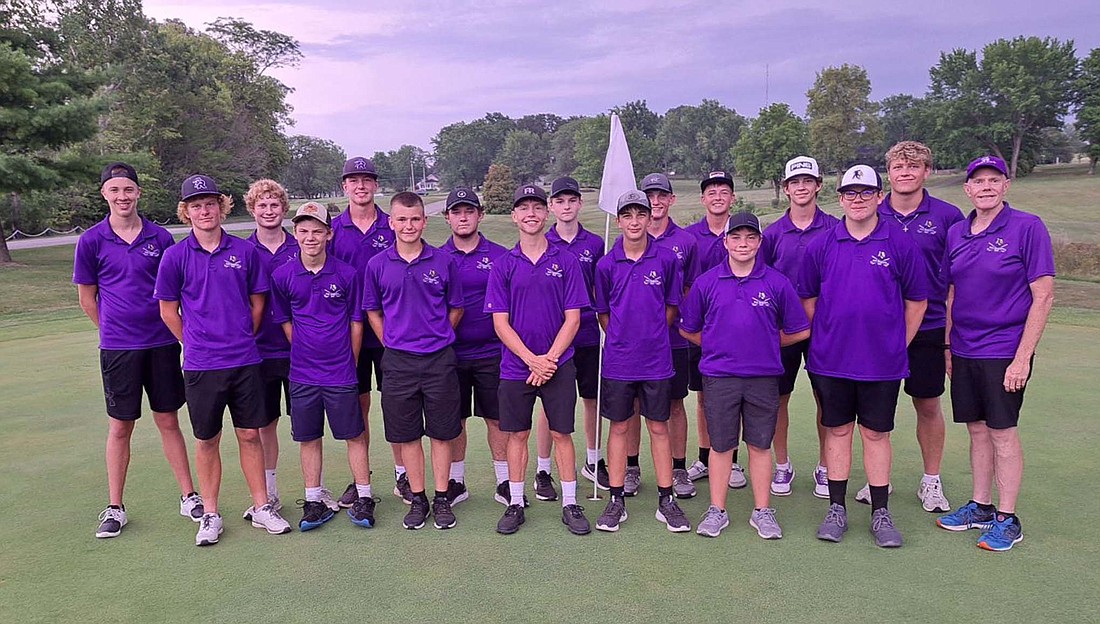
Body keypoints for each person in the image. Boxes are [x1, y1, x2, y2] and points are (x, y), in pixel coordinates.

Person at [155, 174, 291, 546]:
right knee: (207, 440)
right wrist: (194, 341)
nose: (205, 210)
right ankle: (211, 514)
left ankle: (262, 506)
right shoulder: (175, 256)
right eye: (196, 205)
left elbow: (258, 302)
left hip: (245, 359)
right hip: (201, 366)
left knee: (250, 434)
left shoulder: (244, 252)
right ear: (187, 211)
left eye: (211, 203)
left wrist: (240, 334)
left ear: (222, 207)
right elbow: (169, 311)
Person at [799, 164, 927, 549]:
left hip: (882, 363)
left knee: (875, 433)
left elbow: (917, 301)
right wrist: (828, 334)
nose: (857, 200)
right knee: (837, 430)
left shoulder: (900, 243)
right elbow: (808, 299)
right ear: (839, 198)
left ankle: (880, 512)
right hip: (830, 360)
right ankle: (836, 508)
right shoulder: (821, 244)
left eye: (865, 193)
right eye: (850, 193)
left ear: (879, 196)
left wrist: (895, 343)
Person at [74, 162, 202, 539]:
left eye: (128, 190)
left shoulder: (160, 238)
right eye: (114, 190)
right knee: (120, 427)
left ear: (138, 193)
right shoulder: (92, 241)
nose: (122, 197)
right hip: (118, 349)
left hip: (161, 344)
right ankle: (115, 506)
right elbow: (87, 298)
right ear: (105, 194)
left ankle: (189, 496)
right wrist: (113, 331)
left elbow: (174, 293)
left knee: (168, 420)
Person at [935, 155, 1055, 552]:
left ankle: (1007, 518)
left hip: (1005, 349)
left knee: (1003, 432)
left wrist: (1022, 358)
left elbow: (1043, 296)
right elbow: (951, 296)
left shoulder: (1027, 227)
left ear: (1006, 185)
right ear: (967, 189)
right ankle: (981, 506)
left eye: (993, 180)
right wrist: (949, 347)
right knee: (976, 429)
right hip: (966, 348)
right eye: (978, 181)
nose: (985, 186)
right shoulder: (957, 232)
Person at [680, 211, 810, 539]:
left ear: (759, 242)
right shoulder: (707, 282)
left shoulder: (776, 282)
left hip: (763, 377)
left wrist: (766, 342)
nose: (743, 243)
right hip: (719, 377)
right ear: (725, 242)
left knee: (760, 445)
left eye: (750, 237)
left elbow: (798, 330)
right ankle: (717, 510)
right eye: (735, 237)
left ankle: (762, 511)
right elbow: (688, 328)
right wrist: (716, 343)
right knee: (721, 446)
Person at [857, 142, 964, 513]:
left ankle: (931, 481)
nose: (905, 172)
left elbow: (955, 283)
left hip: (930, 327)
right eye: (899, 166)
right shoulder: (872, 212)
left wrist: (950, 341)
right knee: (874, 409)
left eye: (913, 167)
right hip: (878, 330)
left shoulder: (949, 217)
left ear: (926, 172)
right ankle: (877, 481)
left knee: (928, 404)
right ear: (889, 173)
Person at [485, 184, 591, 536]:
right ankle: (516, 502)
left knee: (562, 434)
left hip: (558, 365)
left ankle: (570, 503)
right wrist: (532, 360)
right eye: (523, 208)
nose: (530, 214)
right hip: (517, 367)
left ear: (546, 214)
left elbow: (573, 318)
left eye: (536, 207)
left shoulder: (567, 261)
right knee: (517, 435)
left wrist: (550, 360)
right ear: (514, 216)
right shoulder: (503, 265)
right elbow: (500, 323)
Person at [270, 202, 375, 531]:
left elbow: (357, 323)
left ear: (329, 234)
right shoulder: (282, 275)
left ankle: (364, 496)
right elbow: (285, 320)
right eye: (303, 230)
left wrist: (351, 360)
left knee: (354, 435)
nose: (310, 236)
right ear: (296, 233)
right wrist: (303, 348)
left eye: (317, 230)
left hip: (341, 371)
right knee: (309, 437)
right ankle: (314, 501)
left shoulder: (347, 274)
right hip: (302, 373)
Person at [362, 192, 464, 530]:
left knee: (441, 432)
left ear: (424, 221)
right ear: (391, 222)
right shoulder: (377, 265)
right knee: (406, 435)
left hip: (439, 360)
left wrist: (437, 337)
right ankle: (418, 498)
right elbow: (373, 311)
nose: (409, 225)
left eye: (415, 219)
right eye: (402, 220)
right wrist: (389, 340)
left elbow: (456, 307)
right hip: (398, 362)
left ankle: (441, 497)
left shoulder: (443, 261)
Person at [593, 190, 690, 533]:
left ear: (650, 218)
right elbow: (603, 313)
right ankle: (616, 498)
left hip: (656, 361)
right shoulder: (606, 265)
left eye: (640, 215)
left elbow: (671, 307)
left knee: (658, 427)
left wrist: (648, 334)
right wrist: (624, 336)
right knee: (619, 427)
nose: (635, 222)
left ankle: (667, 499)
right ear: (619, 221)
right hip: (619, 361)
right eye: (628, 216)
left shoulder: (666, 260)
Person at [760, 157, 838, 499]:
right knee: (778, 398)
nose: (802, 187)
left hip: (827, 329)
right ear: (787, 187)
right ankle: (782, 464)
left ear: (818, 185)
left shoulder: (837, 228)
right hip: (783, 331)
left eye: (808, 180)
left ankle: (824, 466)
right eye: (795, 182)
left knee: (827, 397)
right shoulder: (773, 234)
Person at [327, 157, 402, 508]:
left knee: (396, 404)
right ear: (344, 186)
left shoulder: (393, 226)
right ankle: (361, 480)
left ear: (375, 186)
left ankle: (403, 474)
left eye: (367, 180)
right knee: (357, 405)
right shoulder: (333, 229)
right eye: (353, 180)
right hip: (347, 335)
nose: (360, 186)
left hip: (391, 331)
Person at [626, 172, 697, 499]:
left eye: (661, 195)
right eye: (649, 196)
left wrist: (662, 324)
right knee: (636, 405)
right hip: (633, 346)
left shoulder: (685, 242)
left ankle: (679, 468)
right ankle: (631, 467)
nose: (655, 201)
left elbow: (686, 290)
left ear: (671, 199)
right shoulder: (626, 240)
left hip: (672, 340)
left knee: (674, 404)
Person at [440, 187, 512, 507]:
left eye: (469, 210)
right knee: (455, 420)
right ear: (447, 218)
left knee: (496, 419)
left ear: (480, 215)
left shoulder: (500, 255)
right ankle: (456, 482)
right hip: (451, 354)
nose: (463, 216)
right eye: (457, 211)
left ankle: (504, 481)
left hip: (493, 352)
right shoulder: (436, 258)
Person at [542, 176, 605, 496]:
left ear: (580, 203)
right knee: (548, 404)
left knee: (592, 399)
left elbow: (599, 289)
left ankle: (593, 461)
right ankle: (543, 469)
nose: (566, 207)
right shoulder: (541, 241)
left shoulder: (595, 243)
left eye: (571, 201)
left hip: (589, 333)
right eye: (559, 201)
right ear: (551, 206)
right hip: (551, 339)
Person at [684, 171, 747, 490]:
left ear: (732, 197)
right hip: (703, 330)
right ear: (703, 199)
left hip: (739, 332)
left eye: (724, 191)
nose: (718, 196)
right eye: (711, 191)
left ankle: (733, 459)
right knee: (704, 396)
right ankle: (705, 456)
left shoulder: (745, 233)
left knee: (734, 396)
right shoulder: (690, 237)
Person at [244, 179, 299, 514]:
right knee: (265, 424)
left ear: (284, 209)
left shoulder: (301, 245)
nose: (268, 210)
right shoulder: (243, 251)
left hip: (298, 351)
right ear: (253, 209)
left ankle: (314, 490)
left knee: (306, 423)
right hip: (258, 352)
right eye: (262, 205)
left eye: (274, 205)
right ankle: (270, 493)